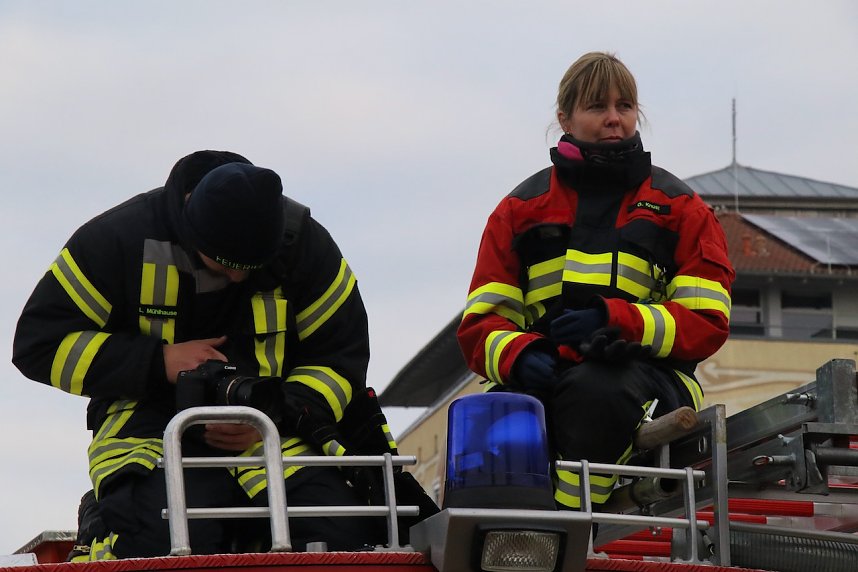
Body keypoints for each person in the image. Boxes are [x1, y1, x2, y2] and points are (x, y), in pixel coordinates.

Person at [13, 150, 381, 558]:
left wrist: (272, 415)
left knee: (342, 535)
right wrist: (159, 362)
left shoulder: (306, 248)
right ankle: (103, 522)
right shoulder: (118, 239)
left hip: (276, 435)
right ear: (191, 231)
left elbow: (340, 359)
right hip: (146, 433)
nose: (237, 277)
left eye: (249, 268)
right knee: (158, 540)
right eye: (223, 267)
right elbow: (38, 344)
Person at [457, 52, 734, 511]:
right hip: (546, 372)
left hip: (651, 379)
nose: (613, 119)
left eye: (624, 106)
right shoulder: (519, 211)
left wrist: (616, 320)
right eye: (596, 107)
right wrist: (520, 355)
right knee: (491, 418)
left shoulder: (681, 208)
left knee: (595, 390)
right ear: (564, 117)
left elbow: (706, 322)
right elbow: (480, 326)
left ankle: (573, 527)